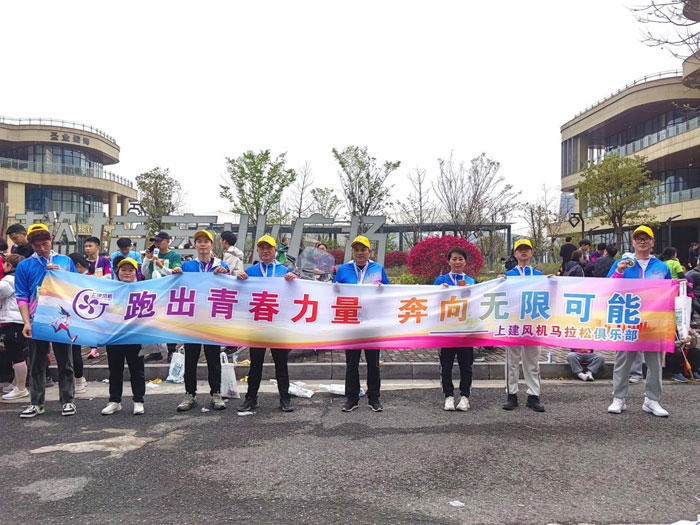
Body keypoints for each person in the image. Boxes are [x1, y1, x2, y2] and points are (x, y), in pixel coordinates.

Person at [606, 225, 671, 417]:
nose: (642, 242)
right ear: (633, 243)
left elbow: (670, 293)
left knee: (655, 363)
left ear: (652, 242)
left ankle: (652, 400)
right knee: (623, 360)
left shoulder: (662, 267)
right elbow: (607, 288)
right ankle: (619, 398)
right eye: (638, 238)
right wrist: (619, 272)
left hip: (654, 322)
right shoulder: (622, 264)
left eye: (646, 238)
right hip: (628, 320)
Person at [15, 224, 78, 418]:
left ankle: (67, 400)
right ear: (31, 245)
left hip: (60, 318)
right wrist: (26, 322)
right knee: (36, 363)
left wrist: (60, 275)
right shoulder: (25, 265)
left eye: (45, 244)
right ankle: (36, 403)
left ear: (51, 241)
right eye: (37, 245)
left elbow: (76, 288)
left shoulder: (65, 261)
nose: (42, 249)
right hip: (37, 320)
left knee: (65, 361)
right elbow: (22, 295)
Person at [237, 235, 297, 413]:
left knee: (281, 364)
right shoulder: (251, 271)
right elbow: (241, 294)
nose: (265, 251)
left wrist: (294, 281)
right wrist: (239, 280)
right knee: (255, 364)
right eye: (262, 248)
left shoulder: (284, 271)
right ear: (257, 251)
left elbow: (294, 295)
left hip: (278, 325)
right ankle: (251, 398)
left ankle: (285, 398)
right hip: (257, 324)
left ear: (275, 250)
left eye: (268, 248)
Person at [171, 230, 229, 412]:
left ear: (212, 245)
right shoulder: (187, 266)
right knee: (191, 359)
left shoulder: (222, 266)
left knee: (213, 359)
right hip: (192, 319)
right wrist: (176, 275)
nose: (203, 244)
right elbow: (179, 286)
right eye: (199, 241)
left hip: (212, 319)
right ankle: (190, 394)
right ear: (195, 245)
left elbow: (231, 288)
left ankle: (216, 393)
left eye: (206, 241)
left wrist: (227, 275)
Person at [334, 235, 390, 412]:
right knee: (352, 363)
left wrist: (382, 289)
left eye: (363, 249)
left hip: (372, 323)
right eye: (356, 250)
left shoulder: (378, 269)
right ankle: (352, 398)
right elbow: (333, 293)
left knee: (373, 364)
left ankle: (374, 398)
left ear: (369, 252)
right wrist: (335, 288)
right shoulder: (343, 269)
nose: (360, 253)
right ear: (352, 251)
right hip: (351, 323)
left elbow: (390, 292)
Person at [501, 239, 545, 412]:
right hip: (513, 322)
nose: (524, 252)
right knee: (511, 361)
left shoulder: (539, 275)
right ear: (515, 254)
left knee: (533, 361)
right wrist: (499, 283)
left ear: (532, 253)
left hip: (533, 323)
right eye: (520, 249)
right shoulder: (509, 276)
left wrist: (553, 282)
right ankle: (511, 394)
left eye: (527, 249)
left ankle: (534, 396)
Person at [101, 257, 147, 415]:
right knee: (115, 370)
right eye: (123, 270)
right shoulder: (110, 289)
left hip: (135, 336)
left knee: (137, 370)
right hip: (115, 336)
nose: (127, 273)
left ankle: (138, 400)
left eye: (131, 270)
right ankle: (114, 401)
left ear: (136, 273)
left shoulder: (143, 289)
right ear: (117, 271)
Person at [434, 246, 476, 411]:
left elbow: (478, 303)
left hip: (466, 331)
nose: (457, 262)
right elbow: (431, 301)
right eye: (454, 259)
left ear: (465, 262)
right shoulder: (441, 280)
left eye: (460, 259)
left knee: (466, 365)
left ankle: (465, 397)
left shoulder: (472, 282)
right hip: (446, 331)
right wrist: (440, 291)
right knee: (446, 366)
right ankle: (449, 396)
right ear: (448, 261)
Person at [143, 231, 182, 362]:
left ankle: (171, 350)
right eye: (155, 241)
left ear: (167, 241)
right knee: (153, 321)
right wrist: (146, 258)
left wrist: (161, 266)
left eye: (159, 241)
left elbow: (175, 273)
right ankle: (155, 351)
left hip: (168, 292)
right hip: (154, 292)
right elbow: (145, 272)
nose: (157, 244)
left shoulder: (174, 256)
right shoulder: (154, 255)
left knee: (169, 322)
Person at [0, 254, 29, 401]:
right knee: (19, 354)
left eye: (4, 263)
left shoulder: (8, 281)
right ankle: (16, 384)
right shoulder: (23, 278)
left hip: (12, 320)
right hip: (21, 320)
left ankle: (21, 388)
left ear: (9, 266)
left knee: (16, 355)